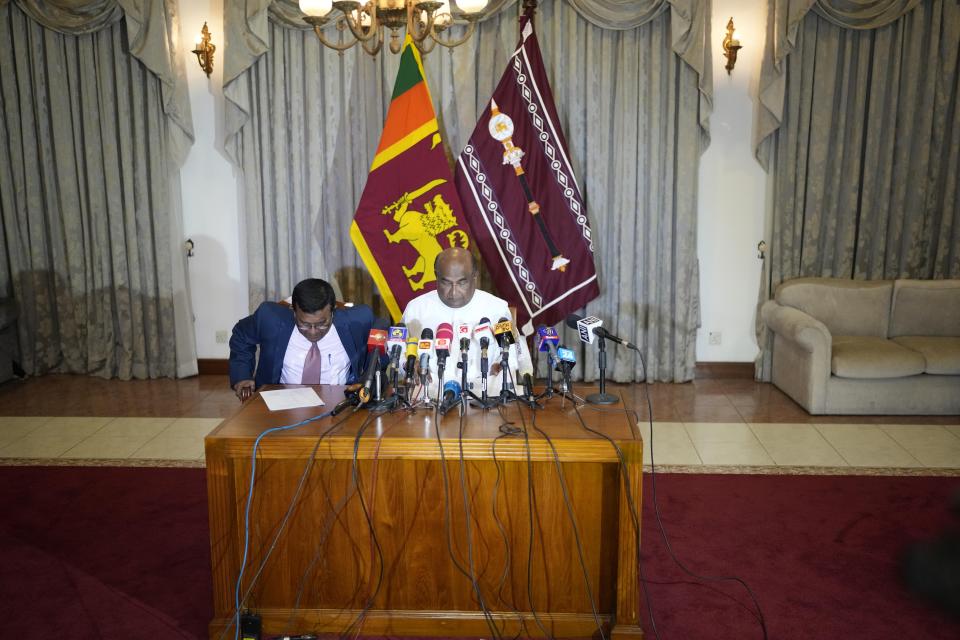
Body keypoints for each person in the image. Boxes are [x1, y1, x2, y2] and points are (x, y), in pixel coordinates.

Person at [402, 247, 531, 400]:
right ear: (436, 276)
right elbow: (400, 352)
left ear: (474, 276)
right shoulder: (416, 309)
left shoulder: (496, 309)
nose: (454, 292)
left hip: (484, 399)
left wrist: (502, 364)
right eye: (446, 283)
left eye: (462, 283)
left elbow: (513, 351)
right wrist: (409, 365)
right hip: (429, 399)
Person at [229, 278, 376, 400]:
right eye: (304, 324)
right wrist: (242, 376)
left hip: (338, 403)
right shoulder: (270, 318)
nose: (313, 332)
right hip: (280, 401)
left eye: (321, 324)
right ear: (293, 312)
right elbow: (241, 335)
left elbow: (380, 337)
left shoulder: (358, 320)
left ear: (332, 312)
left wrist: (369, 379)